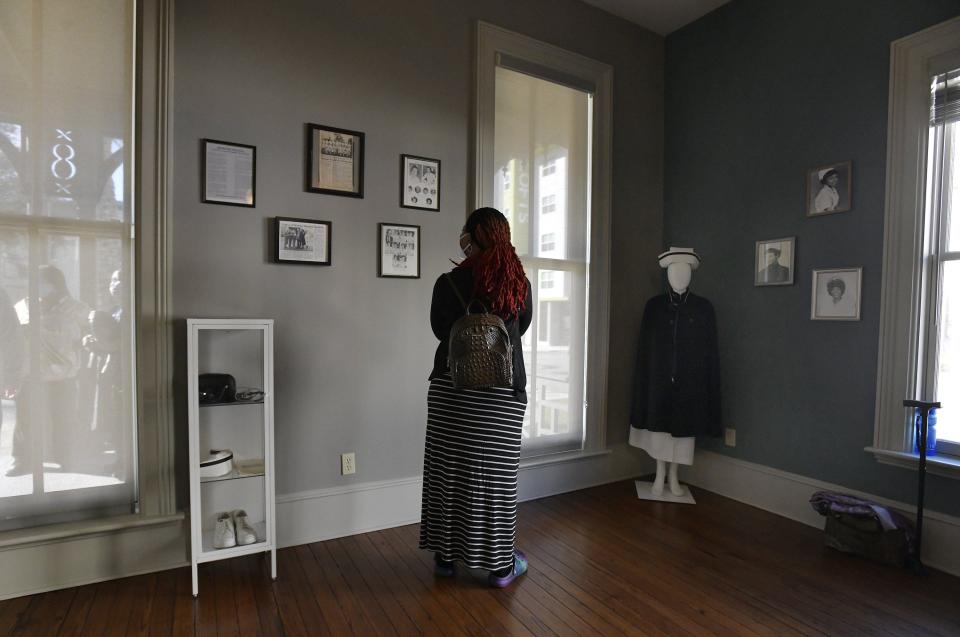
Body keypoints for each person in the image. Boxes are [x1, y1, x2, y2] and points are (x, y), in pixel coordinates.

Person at [419, 207, 533, 588]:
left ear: (471, 237)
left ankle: (446, 559)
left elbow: (440, 331)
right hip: (501, 394)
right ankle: (501, 567)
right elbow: (519, 331)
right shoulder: (518, 284)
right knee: (496, 481)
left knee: (447, 473)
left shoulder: (447, 282)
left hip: (452, 388)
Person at [7, 265, 90, 476]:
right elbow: (11, 337)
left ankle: (67, 459)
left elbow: (88, 337)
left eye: (41, 282)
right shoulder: (22, 306)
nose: (35, 287)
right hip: (29, 374)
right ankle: (22, 460)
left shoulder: (77, 309)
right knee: (25, 419)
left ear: (54, 284)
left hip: (62, 375)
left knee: (64, 418)